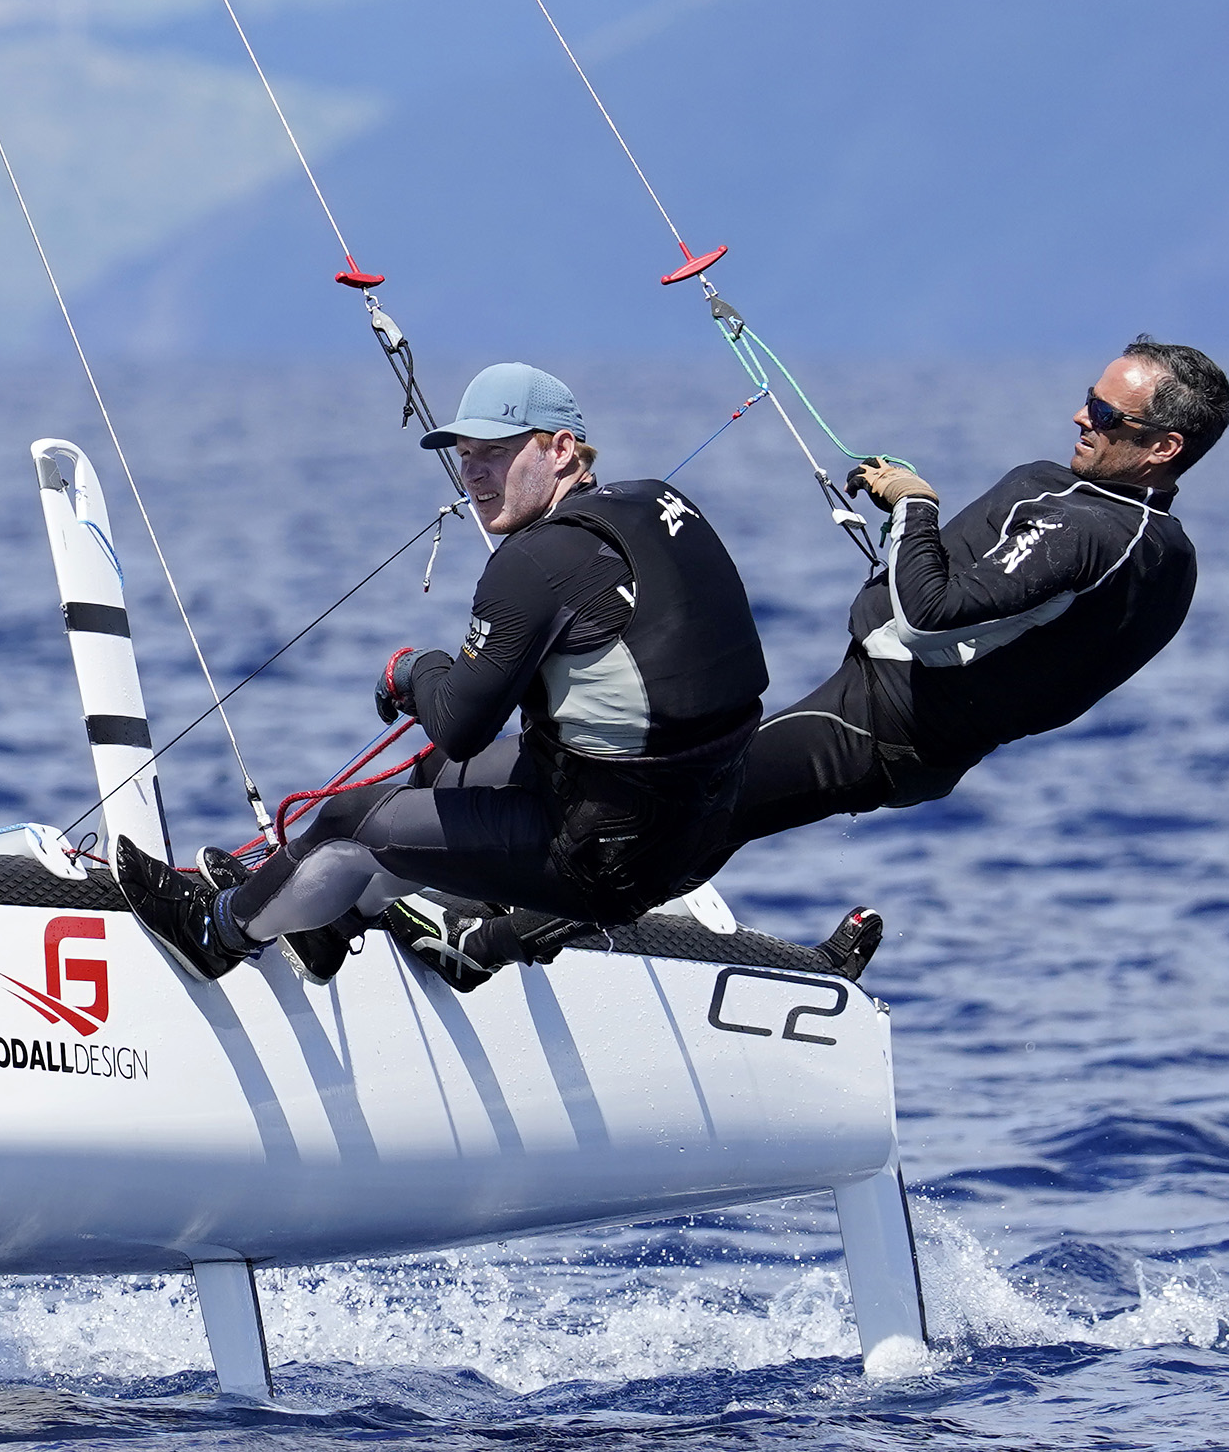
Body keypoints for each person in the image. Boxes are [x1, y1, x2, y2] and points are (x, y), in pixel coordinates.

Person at [125, 362, 768, 985]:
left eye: (497, 452)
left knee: (346, 820)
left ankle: (216, 932)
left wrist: (414, 670)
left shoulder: (535, 561)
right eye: (465, 455)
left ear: (561, 449)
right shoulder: (654, 505)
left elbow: (460, 726)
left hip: (605, 855)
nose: (475, 474)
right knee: (434, 776)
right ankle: (329, 923)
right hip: (694, 816)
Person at [732, 337, 1224, 847]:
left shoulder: (1091, 531)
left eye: (1105, 414)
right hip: (916, 740)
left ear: (1164, 447)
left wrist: (913, 505)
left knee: (696, 802)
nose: (1081, 417)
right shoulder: (1153, 543)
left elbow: (928, 620)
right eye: (1089, 399)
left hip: (873, 728)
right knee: (711, 824)